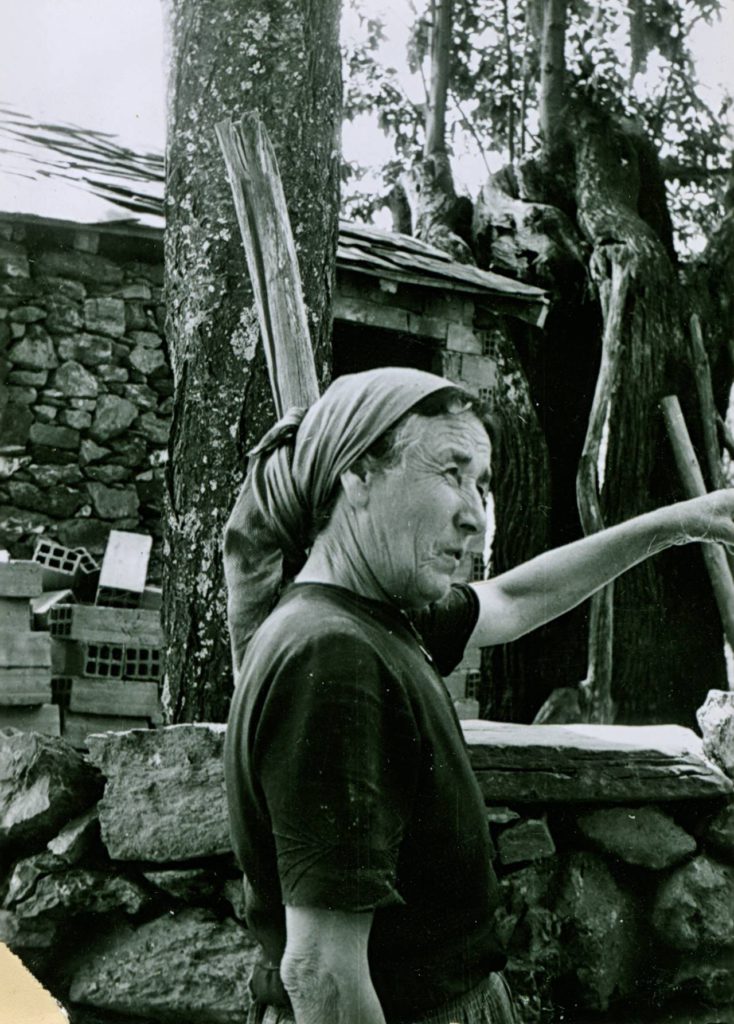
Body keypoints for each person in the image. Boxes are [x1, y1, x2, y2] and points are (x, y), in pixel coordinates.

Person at [223, 366, 734, 1024]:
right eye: (451, 473)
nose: (474, 517)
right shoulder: (334, 656)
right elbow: (321, 973)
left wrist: (690, 520)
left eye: (481, 484)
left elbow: (514, 599)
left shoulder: (375, 615)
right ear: (357, 475)